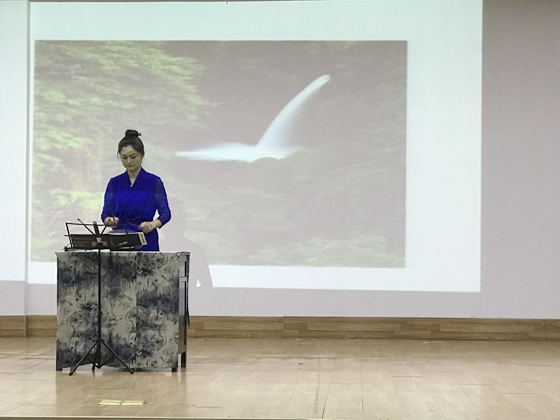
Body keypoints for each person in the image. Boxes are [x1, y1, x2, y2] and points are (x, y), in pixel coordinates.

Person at [101, 129, 171, 251]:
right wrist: (110, 221)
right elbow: (105, 214)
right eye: (124, 157)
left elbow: (166, 214)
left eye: (133, 157)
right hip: (119, 240)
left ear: (142, 155)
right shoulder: (114, 183)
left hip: (145, 240)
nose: (129, 161)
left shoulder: (154, 181)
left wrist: (151, 225)